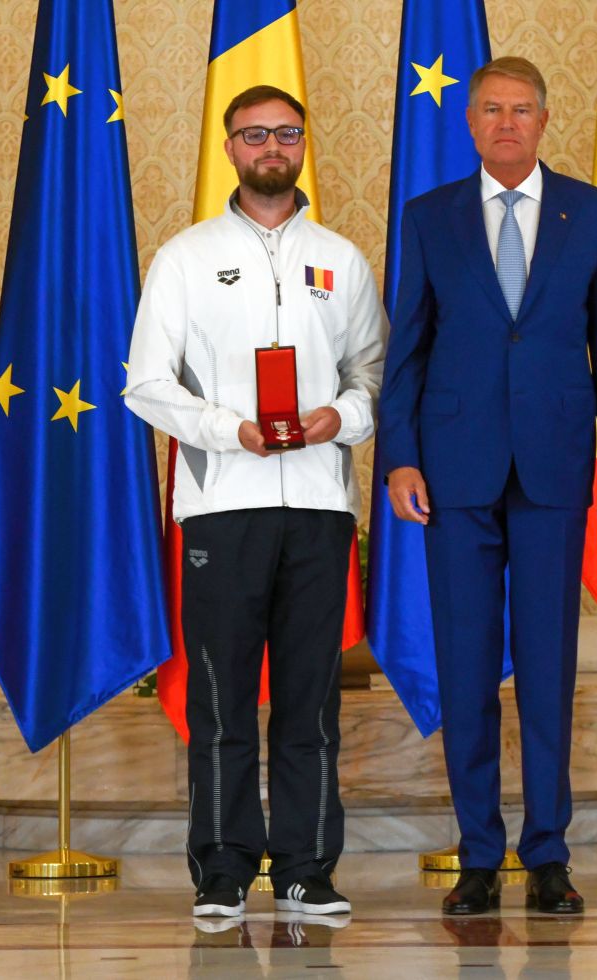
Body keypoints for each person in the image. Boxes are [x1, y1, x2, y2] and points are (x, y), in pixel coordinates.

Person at [379, 57, 597, 916]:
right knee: (464, 667)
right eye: (491, 110)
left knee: (547, 666)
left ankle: (551, 853)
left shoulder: (594, 214)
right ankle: (480, 853)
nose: (506, 123)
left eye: (521, 109)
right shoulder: (428, 218)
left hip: (558, 466)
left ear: (544, 118)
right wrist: (400, 457)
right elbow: (407, 349)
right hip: (453, 470)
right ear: (470, 121)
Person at [125, 84, 387, 919]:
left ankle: (307, 867)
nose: (271, 146)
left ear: (304, 142)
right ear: (230, 148)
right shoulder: (186, 257)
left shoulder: (340, 259)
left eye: (286, 133)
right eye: (254, 135)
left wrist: (334, 419)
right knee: (221, 697)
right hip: (220, 505)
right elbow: (144, 386)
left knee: (310, 699)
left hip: (317, 505)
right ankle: (224, 870)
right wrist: (224, 430)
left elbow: (374, 378)